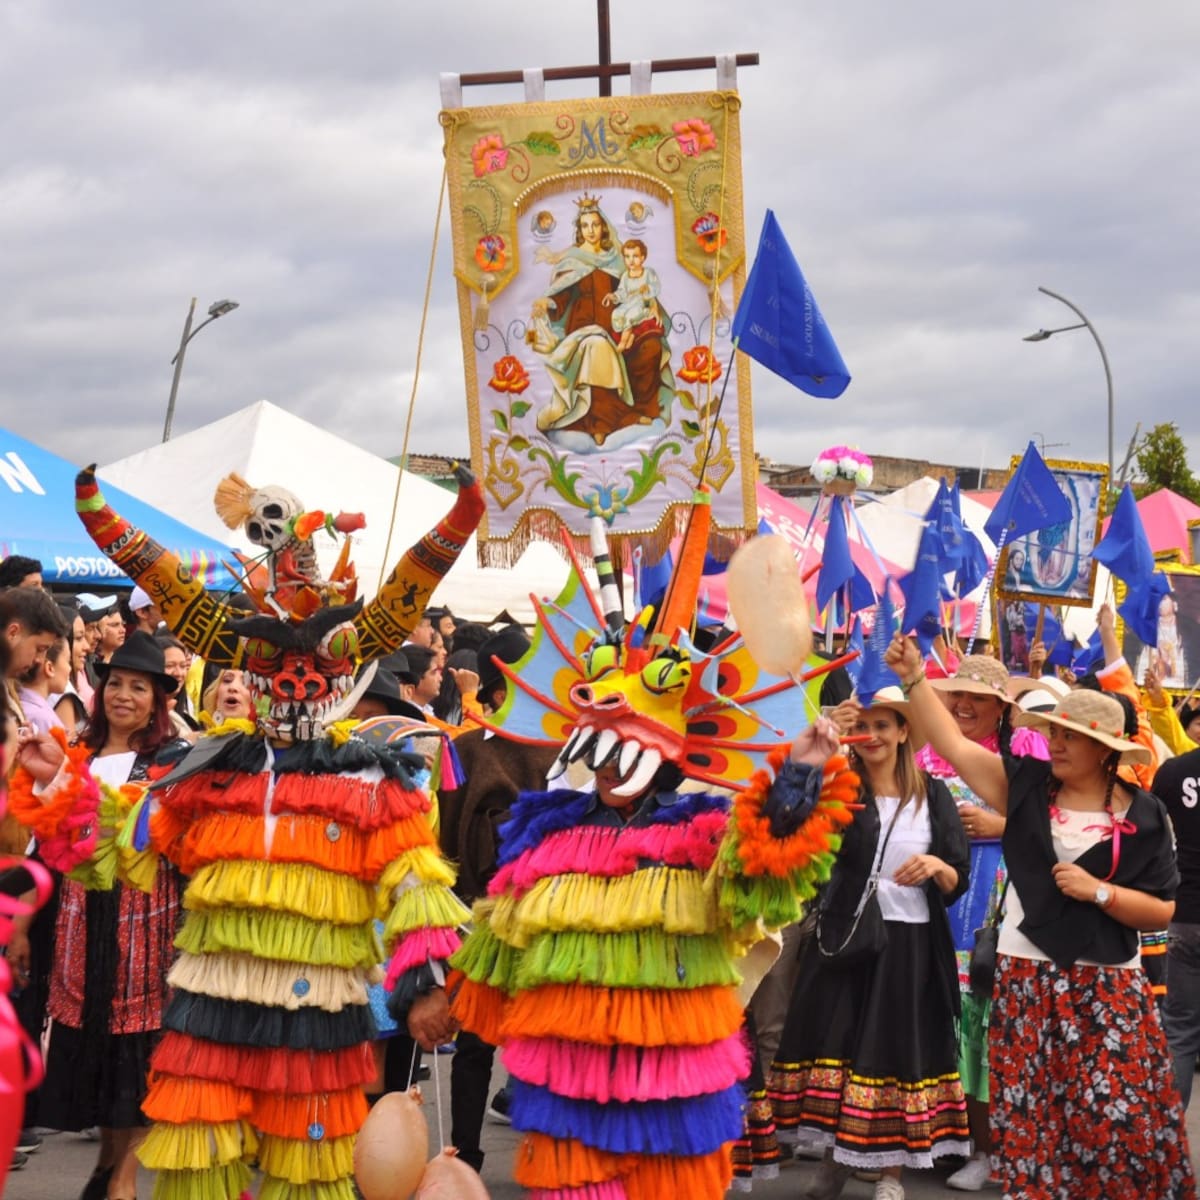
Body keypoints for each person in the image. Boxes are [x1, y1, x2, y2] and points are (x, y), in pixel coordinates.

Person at [52, 462, 484, 1197]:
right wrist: (51, 787)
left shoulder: (370, 777)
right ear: (249, 676)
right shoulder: (206, 769)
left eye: (311, 670)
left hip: (316, 1022)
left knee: (306, 1180)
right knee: (198, 1174)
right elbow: (125, 849)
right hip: (207, 1021)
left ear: (339, 677)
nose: (292, 685)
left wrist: (424, 990)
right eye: (274, 669)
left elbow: (418, 886)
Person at [449, 509, 861, 1199]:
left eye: (626, 755)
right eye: (601, 755)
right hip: (569, 1085)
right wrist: (443, 1002)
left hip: (673, 1086)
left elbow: (762, 874)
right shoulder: (546, 832)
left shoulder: (701, 835)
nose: (609, 770)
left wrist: (800, 776)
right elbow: (497, 945)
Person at [889, 633, 1195, 1199]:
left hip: (1108, 986)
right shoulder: (1026, 788)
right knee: (1035, 1123)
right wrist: (913, 678)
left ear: (1104, 749)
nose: (1055, 742)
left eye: (1070, 736)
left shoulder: (1145, 814)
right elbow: (955, 745)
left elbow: (1161, 907)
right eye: (1054, 731)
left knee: (1116, 1122)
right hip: (1027, 980)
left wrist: (1098, 891)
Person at [770, 688, 970, 1200]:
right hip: (843, 937)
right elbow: (782, 823)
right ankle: (837, 1161)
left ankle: (890, 1174)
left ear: (905, 732)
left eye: (885, 725)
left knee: (895, 1054)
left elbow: (958, 876)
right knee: (836, 1049)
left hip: (910, 944)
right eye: (866, 725)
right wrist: (810, 758)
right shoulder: (838, 787)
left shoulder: (936, 795)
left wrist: (938, 867)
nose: (874, 735)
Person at [14, 631, 189, 1200]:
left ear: (157, 700)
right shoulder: (76, 752)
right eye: (116, 683)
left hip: (146, 926)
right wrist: (20, 926)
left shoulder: (171, 759)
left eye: (139, 687)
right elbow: (46, 841)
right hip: (79, 924)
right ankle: (109, 1164)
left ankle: (124, 1178)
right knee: (103, 1058)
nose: (124, 695)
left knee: (137, 1058)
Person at [917, 654, 1048, 1193]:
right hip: (937, 901)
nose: (964, 705)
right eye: (956, 696)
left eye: (977, 697)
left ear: (1002, 707)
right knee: (938, 1019)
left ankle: (989, 1148)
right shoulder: (926, 755)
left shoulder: (1023, 755)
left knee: (985, 1028)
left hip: (994, 905)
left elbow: (1048, 823)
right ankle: (943, 1138)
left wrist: (1001, 823)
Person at [436, 626, 560, 1171]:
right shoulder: (463, 748)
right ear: (489, 692)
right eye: (511, 686)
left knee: (547, 1039)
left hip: (548, 912)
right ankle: (465, 1153)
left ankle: (549, 1151)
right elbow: (446, 833)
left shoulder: (567, 749)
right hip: (479, 912)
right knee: (475, 1042)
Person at [531, 195, 673, 446]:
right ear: (579, 230)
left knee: (650, 346)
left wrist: (652, 306)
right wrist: (547, 302)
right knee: (598, 347)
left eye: (595, 225)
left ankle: (641, 410)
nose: (591, 231)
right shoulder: (572, 261)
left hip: (617, 326)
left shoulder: (615, 261)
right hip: (585, 330)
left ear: (603, 226)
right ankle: (599, 423)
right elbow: (560, 298)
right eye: (585, 226)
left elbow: (634, 288)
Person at [1153, 737, 1200, 1107]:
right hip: (1183, 915)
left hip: (1185, 915)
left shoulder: (1174, 771)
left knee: (1180, 1032)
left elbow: (1153, 835)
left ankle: (1169, 1143)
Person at [603, 237, 660, 352]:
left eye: (635, 256)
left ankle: (623, 343)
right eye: (627, 256)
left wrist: (648, 287)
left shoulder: (648, 273)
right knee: (616, 313)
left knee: (630, 315)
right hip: (629, 302)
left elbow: (656, 287)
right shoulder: (625, 275)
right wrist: (613, 296)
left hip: (642, 303)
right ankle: (631, 335)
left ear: (642, 258)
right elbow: (622, 292)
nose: (631, 260)